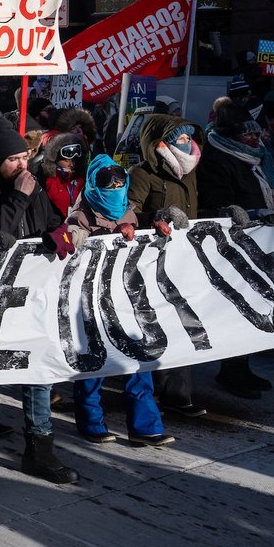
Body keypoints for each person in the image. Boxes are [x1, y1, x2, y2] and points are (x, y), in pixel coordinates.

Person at [0, 117, 80, 485]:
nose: (23, 166)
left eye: (25, 157)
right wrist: (20, 195)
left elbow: (55, 222)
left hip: (33, 295)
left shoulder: (34, 186)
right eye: (13, 160)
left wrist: (59, 236)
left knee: (37, 371)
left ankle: (40, 450)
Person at [66, 156, 174, 446]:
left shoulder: (130, 210)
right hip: (91, 302)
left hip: (127, 298)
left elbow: (149, 226)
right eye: (107, 184)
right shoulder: (81, 215)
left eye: (119, 183)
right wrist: (107, 236)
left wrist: (159, 224)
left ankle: (146, 426)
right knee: (95, 362)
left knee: (140, 361)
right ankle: (90, 421)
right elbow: (72, 239)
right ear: (93, 184)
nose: (114, 188)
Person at [198, 106, 274, 399]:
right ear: (230, 134)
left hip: (264, 241)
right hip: (235, 244)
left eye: (254, 130)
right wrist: (246, 212)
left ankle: (244, 365)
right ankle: (232, 370)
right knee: (239, 305)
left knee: (261, 300)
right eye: (246, 132)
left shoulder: (261, 157)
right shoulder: (217, 158)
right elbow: (216, 200)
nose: (253, 136)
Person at [127, 114, 206, 418]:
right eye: (182, 139)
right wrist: (157, 216)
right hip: (151, 263)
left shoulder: (190, 173)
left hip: (184, 260)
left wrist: (227, 213)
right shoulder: (142, 173)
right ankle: (149, 389)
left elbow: (194, 215)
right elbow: (129, 215)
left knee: (186, 324)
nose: (189, 143)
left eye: (190, 138)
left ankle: (177, 394)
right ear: (162, 143)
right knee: (153, 328)